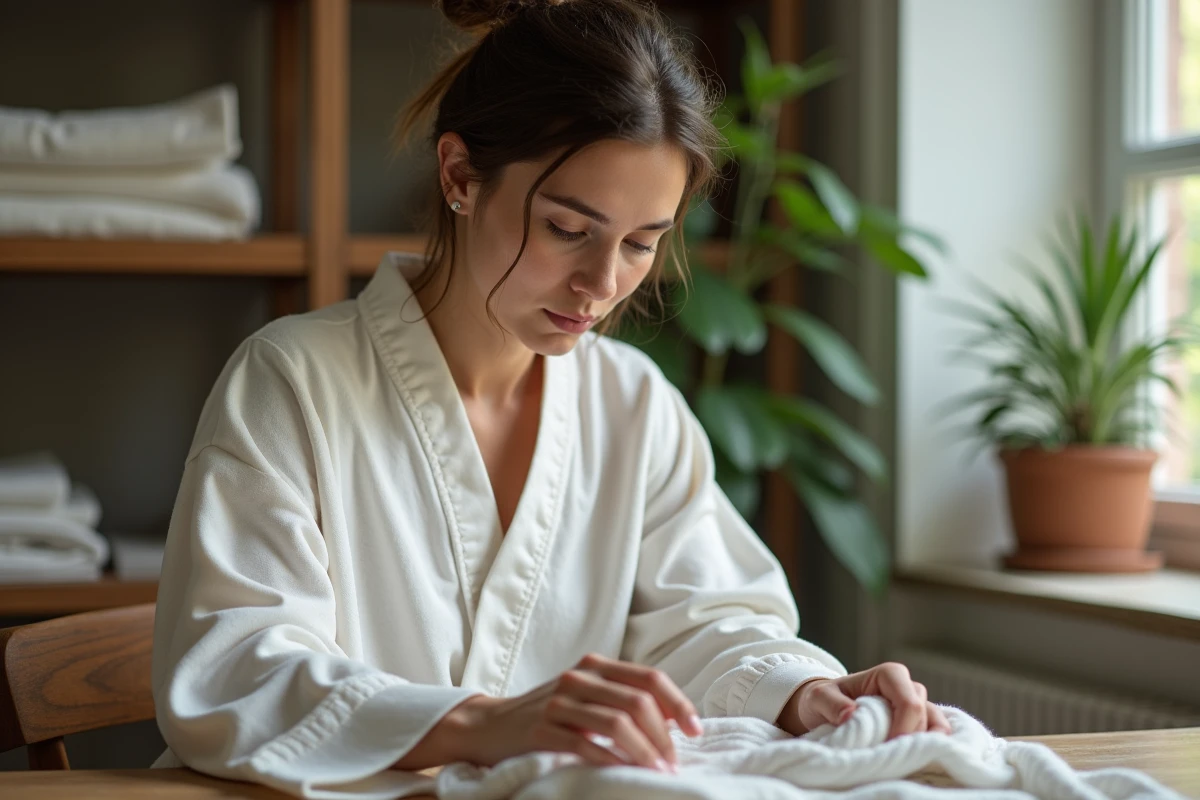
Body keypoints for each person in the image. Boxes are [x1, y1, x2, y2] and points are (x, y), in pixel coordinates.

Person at [150, 0, 950, 797]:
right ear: (460, 175)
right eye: (570, 228)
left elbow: (710, 620)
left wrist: (803, 692)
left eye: (641, 243)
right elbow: (236, 665)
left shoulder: (633, 405)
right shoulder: (292, 380)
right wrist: (481, 723)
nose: (603, 285)